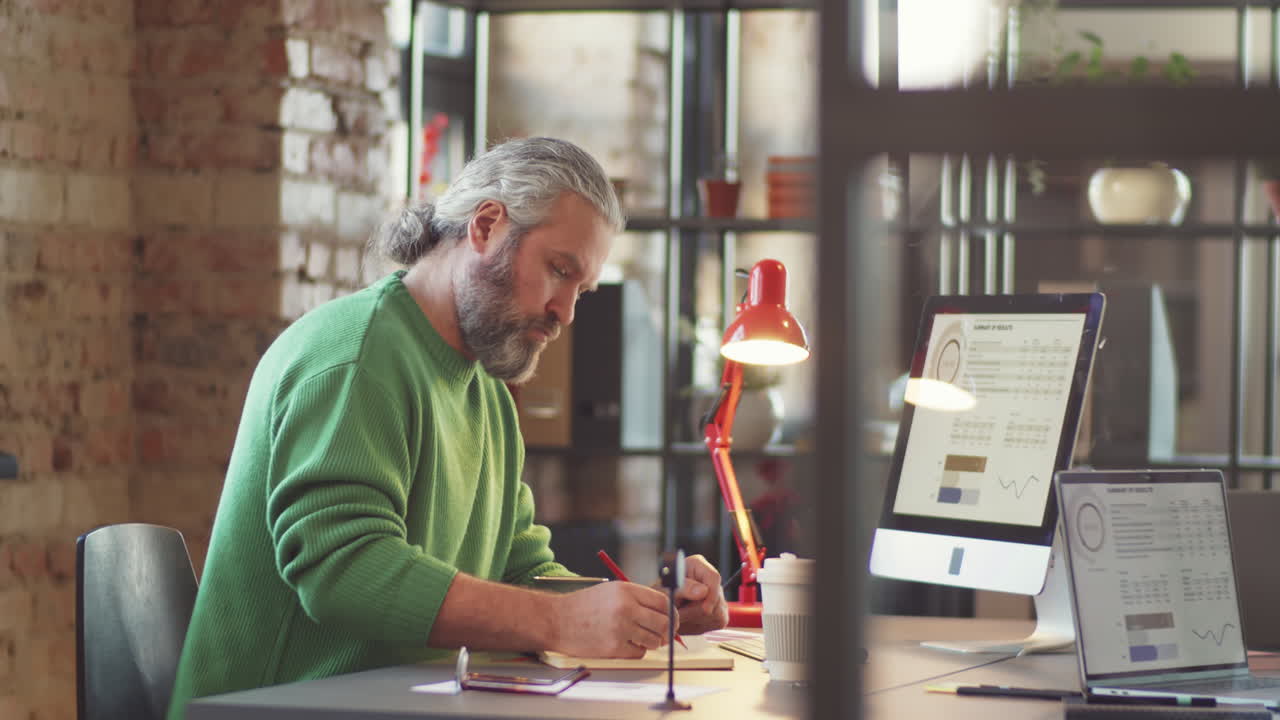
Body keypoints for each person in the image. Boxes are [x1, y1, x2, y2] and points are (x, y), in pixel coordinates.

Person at [167, 137, 728, 718]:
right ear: (486, 226)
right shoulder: (355, 359)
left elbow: (520, 572)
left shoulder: (486, 391)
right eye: (559, 271)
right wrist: (562, 620)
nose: (566, 312)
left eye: (580, 290)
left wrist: (643, 616)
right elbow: (344, 571)